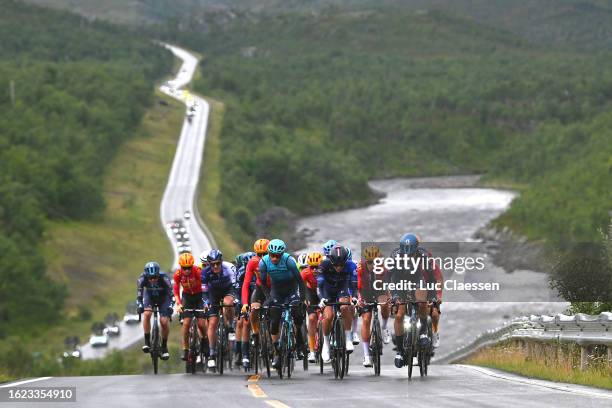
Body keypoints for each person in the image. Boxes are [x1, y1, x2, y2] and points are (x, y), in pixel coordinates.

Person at [390, 233, 443, 368]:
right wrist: (392, 297)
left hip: (420, 282)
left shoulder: (425, 257)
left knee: (423, 303)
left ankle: (424, 332)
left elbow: (434, 278)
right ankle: (400, 351)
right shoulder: (395, 256)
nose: (409, 258)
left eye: (412, 255)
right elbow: (389, 278)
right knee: (399, 314)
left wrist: (436, 296)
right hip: (399, 283)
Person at [258, 239, 307, 368]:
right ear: (268, 253)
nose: (274, 258)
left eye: (277, 256)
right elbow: (263, 283)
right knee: (274, 320)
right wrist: (268, 297)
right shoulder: (263, 262)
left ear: (282, 254)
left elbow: (300, 282)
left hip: (291, 288)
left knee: (297, 315)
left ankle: (300, 342)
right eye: (272, 255)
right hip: (276, 290)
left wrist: (302, 299)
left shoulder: (289, 261)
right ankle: (277, 352)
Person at [317, 245, 355, 363]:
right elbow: (319, 285)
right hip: (327, 291)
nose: (338, 268)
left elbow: (353, 283)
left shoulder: (351, 265)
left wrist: (354, 297)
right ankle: (326, 343)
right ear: (331, 261)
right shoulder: (324, 265)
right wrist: (322, 298)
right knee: (328, 316)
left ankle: (348, 338)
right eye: (336, 265)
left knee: (345, 307)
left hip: (341, 289)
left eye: (341, 265)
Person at [201, 249, 237, 369]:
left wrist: (235, 299)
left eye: (218, 263)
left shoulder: (228, 269)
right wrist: (206, 302)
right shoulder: (205, 273)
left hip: (227, 290)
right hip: (213, 294)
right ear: (209, 264)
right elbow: (204, 292)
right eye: (213, 264)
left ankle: (230, 326)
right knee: (212, 323)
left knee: (228, 303)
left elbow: (235, 285)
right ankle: (212, 354)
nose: (216, 266)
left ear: (221, 262)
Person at [357, 245, 391, 367]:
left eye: (375, 262)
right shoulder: (360, 269)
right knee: (366, 319)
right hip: (365, 292)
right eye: (370, 262)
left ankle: (385, 327)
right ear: (366, 261)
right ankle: (366, 354)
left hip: (379, 290)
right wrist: (360, 300)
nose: (372, 265)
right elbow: (359, 286)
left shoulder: (384, 269)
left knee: (385, 305)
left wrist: (390, 297)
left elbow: (389, 286)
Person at [240, 238, 270, 361]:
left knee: (274, 314)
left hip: (274, 288)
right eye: (259, 254)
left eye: (265, 254)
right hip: (260, 288)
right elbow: (246, 283)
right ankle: (256, 333)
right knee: (253, 309)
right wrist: (245, 303)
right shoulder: (252, 262)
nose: (262, 257)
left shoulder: (276, 261)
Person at [173, 252, 206, 362]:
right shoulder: (177, 274)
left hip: (199, 296)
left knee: (201, 324)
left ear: (192, 266)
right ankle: (186, 349)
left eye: (189, 268)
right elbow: (176, 291)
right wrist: (179, 304)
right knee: (186, 323)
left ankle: (205, 341)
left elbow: (205, 286)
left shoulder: (197, 271)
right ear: (181, 267)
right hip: (187, 297)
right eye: (184, 268)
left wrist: (206, 303)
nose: (187, 270)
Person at [137, 261, 173, 360]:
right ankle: (147, 341)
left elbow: (171, 294)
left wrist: (171, 306)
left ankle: (164, 347)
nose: (153, 280)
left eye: (155, 277)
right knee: (147, 314)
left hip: (163, 299)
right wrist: (139, 305)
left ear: (158, 274)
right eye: (150, 278)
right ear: (146, 276)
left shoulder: (164, 277)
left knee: (164, 322)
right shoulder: (142, 278)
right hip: (149, 297)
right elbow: (139, 295)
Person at [301, 251, 323, 363]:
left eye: (317, 267)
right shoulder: (305, 273)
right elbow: (299, 287)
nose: (314, 270)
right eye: (312, 267)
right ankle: (312, 351)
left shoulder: (326, 271)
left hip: (324, 292)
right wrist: (304, 300)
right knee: (311, 318)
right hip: (311, 294)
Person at [235, 251, 256, 367]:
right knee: (244, 323)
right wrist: (240, 303)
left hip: (257, 297)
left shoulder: (261, 270)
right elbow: (238, 291)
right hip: (245, 298)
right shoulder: (242, 272)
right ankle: (243, 353)